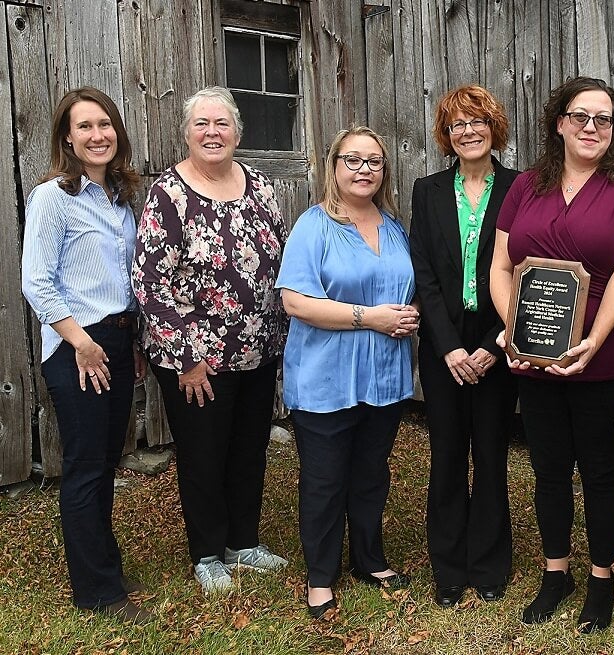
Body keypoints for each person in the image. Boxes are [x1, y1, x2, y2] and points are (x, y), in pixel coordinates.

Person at [489, 76, 614, 633]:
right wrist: (512, 328)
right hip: (532, 354)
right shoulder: (526, 187)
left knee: (599, 469)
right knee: (547, 468)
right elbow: (500, 266)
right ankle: (554, 573)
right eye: (581, 116)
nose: (591, 128)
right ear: (559, 122)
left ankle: (600, 578)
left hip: (597, 357)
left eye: (603, 120)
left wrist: (595, 339)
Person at [132, 86, 289, 594]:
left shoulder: (261, 185)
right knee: (203, 453)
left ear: (238, 133)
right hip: (196, 358)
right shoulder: (168, 194)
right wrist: (185, 357)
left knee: (249, 447)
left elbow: (279, 257)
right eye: (202, 124)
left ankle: (243, 540)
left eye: (222, 124)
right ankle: (206, 551)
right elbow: (149, 284)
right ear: (186, 133)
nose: (212, 133)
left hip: (258, 349)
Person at [21, 87, 153, 623]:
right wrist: (81, 341)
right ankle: (97, 591)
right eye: (84, 127)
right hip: (81, 346)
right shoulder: (53, 197)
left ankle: (105, 565)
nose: (97, 135)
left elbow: (125, 279)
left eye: (105, 125)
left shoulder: (120, 198)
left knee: (105, 462)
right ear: (67, 138)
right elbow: (37, 282)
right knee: (83, 467)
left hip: (118, 341)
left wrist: (133, 341)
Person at [276, 126, 418, 619]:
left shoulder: (395, 226)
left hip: (384, 378)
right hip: (325, 378)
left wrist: (409, 312)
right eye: (353, 160)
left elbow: (404, 286)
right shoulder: (313, 225)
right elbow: (296, 301)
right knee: (324, 480)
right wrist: (372, 317)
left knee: (370, 475)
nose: (364, 170)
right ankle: (320, 576)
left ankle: (368, 559)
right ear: (334, 166)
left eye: (374, 162)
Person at [410, 85, 520, 609]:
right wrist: (451, 347)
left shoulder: (522, 188)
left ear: (493, 127)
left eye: (477, 121)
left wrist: (493, 346)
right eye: (457, 125)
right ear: (446, 136)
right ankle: (449, 567)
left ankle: (490, 563)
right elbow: (424, 274)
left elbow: (527, 272)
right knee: (448, 456)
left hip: (499, 343)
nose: (468, 131)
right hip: (443, 351)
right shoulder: (427, 190)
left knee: (493, 455)